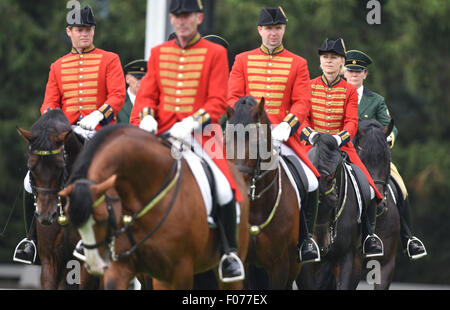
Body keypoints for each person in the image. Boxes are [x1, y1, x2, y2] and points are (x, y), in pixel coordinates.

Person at [129, 0, 245, 283]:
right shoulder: (158, 53)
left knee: (224, 187)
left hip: (202, 134)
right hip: (163, 133)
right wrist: (146, 116)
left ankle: (229, 253)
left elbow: (218, 99)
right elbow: (147, 95)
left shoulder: (215, 53)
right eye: (178, 16)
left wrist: (192, 123)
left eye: (187, 16)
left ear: (199, 18)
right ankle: (118, 244)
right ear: (172, 19)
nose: (182, 21)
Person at [13, 6, 126, 264]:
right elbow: (49, 103)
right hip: (65, 135)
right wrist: (56, 121)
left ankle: (118, 234)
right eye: (78, 30)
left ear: (93, 30)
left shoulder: (110, 59)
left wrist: (99, 115)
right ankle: (30, 240)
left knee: (115, 177)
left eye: (87, 29)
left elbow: (118, 95)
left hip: (98, 131)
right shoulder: (58, 66)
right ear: (69, 32)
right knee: (31, 182)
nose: (83, 34)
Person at [227, 6, 322, 263]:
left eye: (277, 28)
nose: (273, 33)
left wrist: (288, 125)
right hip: (247, 136)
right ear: (260, 30)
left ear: (284, 30)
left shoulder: (298, 63)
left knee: (311, 181)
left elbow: (302, 101)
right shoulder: (242, 60)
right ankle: (222, 239)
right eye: (268, 29)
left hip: (281, 135)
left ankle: (305, 241)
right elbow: (233, 96)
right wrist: (245, 121)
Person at [300, 38, 385, 258]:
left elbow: (352, 123)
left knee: (366, 184)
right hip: (311, 145)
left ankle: (369, 236)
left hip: (341, 147)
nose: (329, 61)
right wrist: (312, 135)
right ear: (320, 61)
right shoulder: (308, 86)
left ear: (342, 63)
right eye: (325, 57)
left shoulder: (348, 90)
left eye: (334, 58)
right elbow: (301, 119)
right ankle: (301, 236)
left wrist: (339, 138)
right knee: (293, 178)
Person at [344, 50, 427, 259]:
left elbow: (390, 126)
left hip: (372, 159)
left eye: (359, 71)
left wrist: (388, 139)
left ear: (365, 74)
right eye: (351, 70)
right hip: (342, 154)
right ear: (344, 72)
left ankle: (409, 238)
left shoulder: (376, 100)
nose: (354, 74)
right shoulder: (336, 95)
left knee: (401, 187)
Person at [117, 59, 147, 124]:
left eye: (144, 79)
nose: (141, 82)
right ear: (127, 79)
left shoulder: (152, 102)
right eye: (138, 78)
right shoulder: (118, 102)